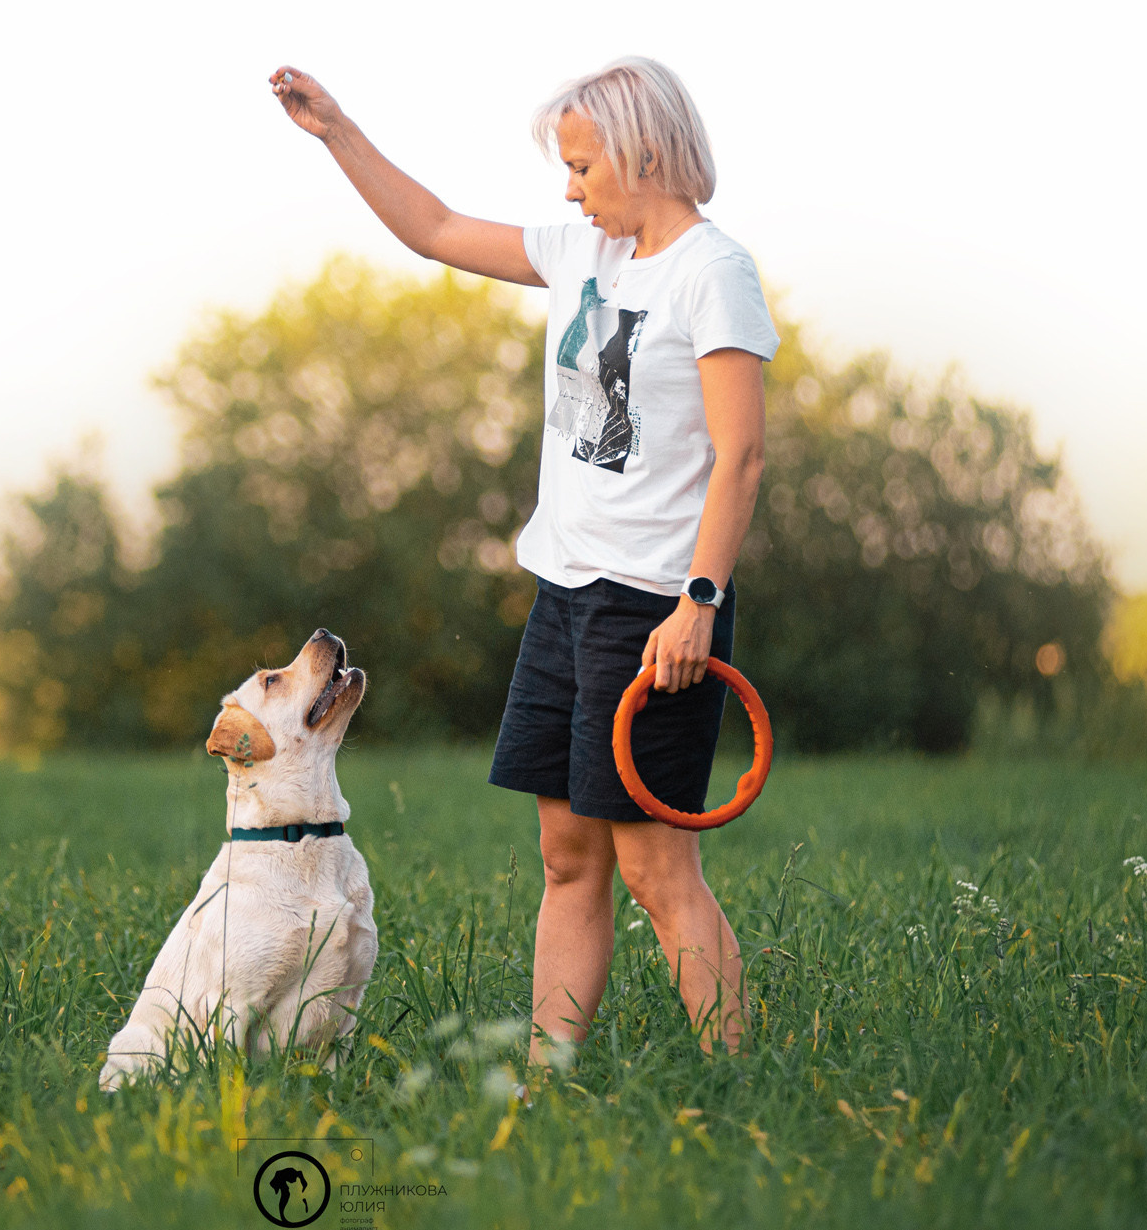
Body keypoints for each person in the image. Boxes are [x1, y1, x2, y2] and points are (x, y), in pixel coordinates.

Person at [270, 58, 776, 1056]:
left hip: (654, 611)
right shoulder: (584, 252)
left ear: (642, 153)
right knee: (566, 858)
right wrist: (338, 133)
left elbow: (742, 455)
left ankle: (744, 1076)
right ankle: (550, 1083)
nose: (570, 187)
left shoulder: (714, 273)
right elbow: (434, 229)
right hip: (566, 595)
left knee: (655, 869)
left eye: (584, 165)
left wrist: (699, 601)